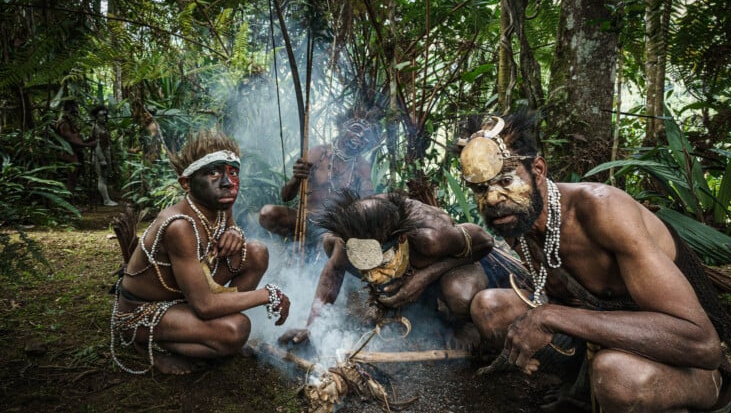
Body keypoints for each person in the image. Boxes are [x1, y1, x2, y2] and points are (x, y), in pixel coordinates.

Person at [455, 110, 731, 413]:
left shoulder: (601, 210)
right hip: (606, 339)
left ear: (539, 170)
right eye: (480, 189)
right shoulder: (518, 220)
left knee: (617, 378)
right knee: (491, 308)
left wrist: (551, 317)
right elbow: (560, 299)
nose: (493, 199)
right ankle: (588, 397)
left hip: (690, 359)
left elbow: (702, 343)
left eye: (505, 180)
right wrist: (547, 317)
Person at [110, 129, 291, 375]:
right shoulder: (180, 226)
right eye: (213, 172)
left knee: (257, 252)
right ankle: (149, 344)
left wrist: (235, 233)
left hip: (184, 296)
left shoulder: (220, 201)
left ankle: (204, 331)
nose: (228, 182)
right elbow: (204, 305)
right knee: (236, 329)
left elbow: (231, 226)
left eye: (233, 172)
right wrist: (268, 295)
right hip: (144, 310)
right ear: (186, 183)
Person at [277, 189, 524, 347]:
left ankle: (457, 324)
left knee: (460, 296)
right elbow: (333, 272)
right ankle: (405, 302)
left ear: (402, 242)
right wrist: (312, 327)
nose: (372, 276)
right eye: (368, 269)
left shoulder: (430, 237)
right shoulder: (345, 240)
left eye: (381, 264)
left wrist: (425, 277)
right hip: (407, 263)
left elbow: (485, 241)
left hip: (448, 266)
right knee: (331, 249)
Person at [258, 111, 382, 249]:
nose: (361, 136)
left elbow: (367, 201)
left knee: (328, 240)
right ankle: (295, 243)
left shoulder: (362, 166)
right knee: (267, 213)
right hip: (306, 219)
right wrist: (297, 179)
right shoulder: (319, 153)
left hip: (334, 228)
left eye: (366, 135)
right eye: (357, 129)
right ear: (342, 128)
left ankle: (319, 250)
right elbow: (286, 196)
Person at [54, 100, 96, 192]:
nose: (76, 114)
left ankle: (71, 196)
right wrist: (87, 144)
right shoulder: (63, 123)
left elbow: (76, 138)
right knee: (72, 175)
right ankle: (68, 197)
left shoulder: (70, 123)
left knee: (75, 176)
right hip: (68, 153)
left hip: (75, 151)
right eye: (74, 112)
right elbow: (70, 139)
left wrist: (89, 140)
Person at [89, 104, 119, 206]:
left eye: (105, 115)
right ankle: (106, 200)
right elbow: (96, 144)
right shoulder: (95, 127)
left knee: (104, 177)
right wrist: (102, 159)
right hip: (98, 155)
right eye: (101, 115)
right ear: (96, 117)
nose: (104, 117)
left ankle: (106, 199)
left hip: (105, 154)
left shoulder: (104, 128)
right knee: (101, 177)